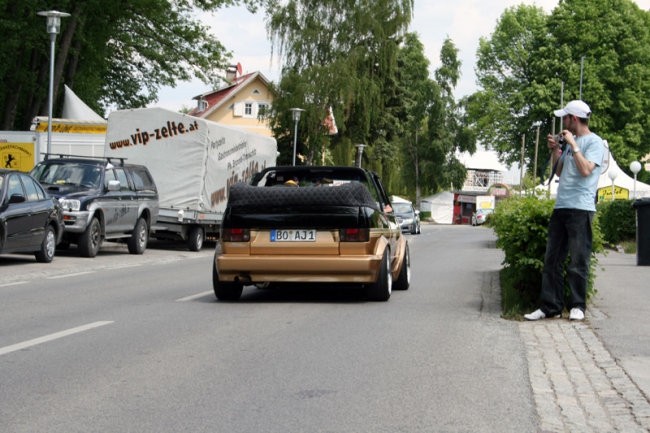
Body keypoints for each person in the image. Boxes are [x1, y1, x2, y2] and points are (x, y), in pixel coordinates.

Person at [525, 100, 606, 321]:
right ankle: (550, 306)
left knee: (578, 260)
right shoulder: (571, 143)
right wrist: (556, 150)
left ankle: (577, 306)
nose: (563, 122)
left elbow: (587, 170)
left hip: (581, 208)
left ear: (574, 119)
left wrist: (574, 144)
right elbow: (559, 171)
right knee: (552, 260)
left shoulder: (594, 142)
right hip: (561, 206)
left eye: (565, 118)